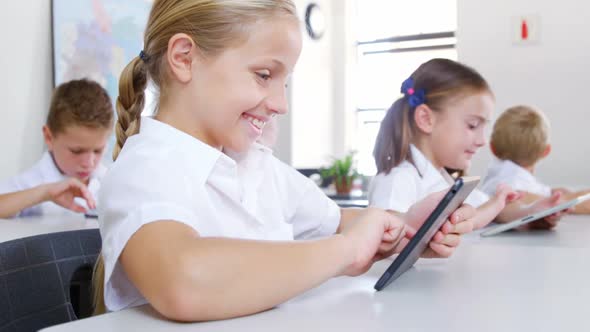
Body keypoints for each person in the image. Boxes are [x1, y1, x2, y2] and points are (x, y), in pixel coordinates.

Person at [92, 0, 474, 321]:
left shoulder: (257, 166)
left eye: (284, 82)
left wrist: (407, 228)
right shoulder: (145, 168)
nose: (281, 104)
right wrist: (345, 251)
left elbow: (340, 222)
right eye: (263, 75)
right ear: (184, 58)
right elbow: (183, 280)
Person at [369, 59, 566, 230]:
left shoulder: (445, 180)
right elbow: (384, 235)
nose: (482, 141)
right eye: (472, 125)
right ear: (426, 119)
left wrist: (532, 213)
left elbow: (492, 211)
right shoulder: (398, 180)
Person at [0, 79, 113, 217]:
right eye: (76, 151)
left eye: (98, 150)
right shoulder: (30, 183)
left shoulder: (111, 178)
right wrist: (44, 193)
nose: (89, 163)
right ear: (49, 137)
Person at [481, 105, 590, 214]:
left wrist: (551, 192)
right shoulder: (512, 181)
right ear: (546, 151)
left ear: (492, 148)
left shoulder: (499, 174)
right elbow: (514, 197)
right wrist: (564, 200)